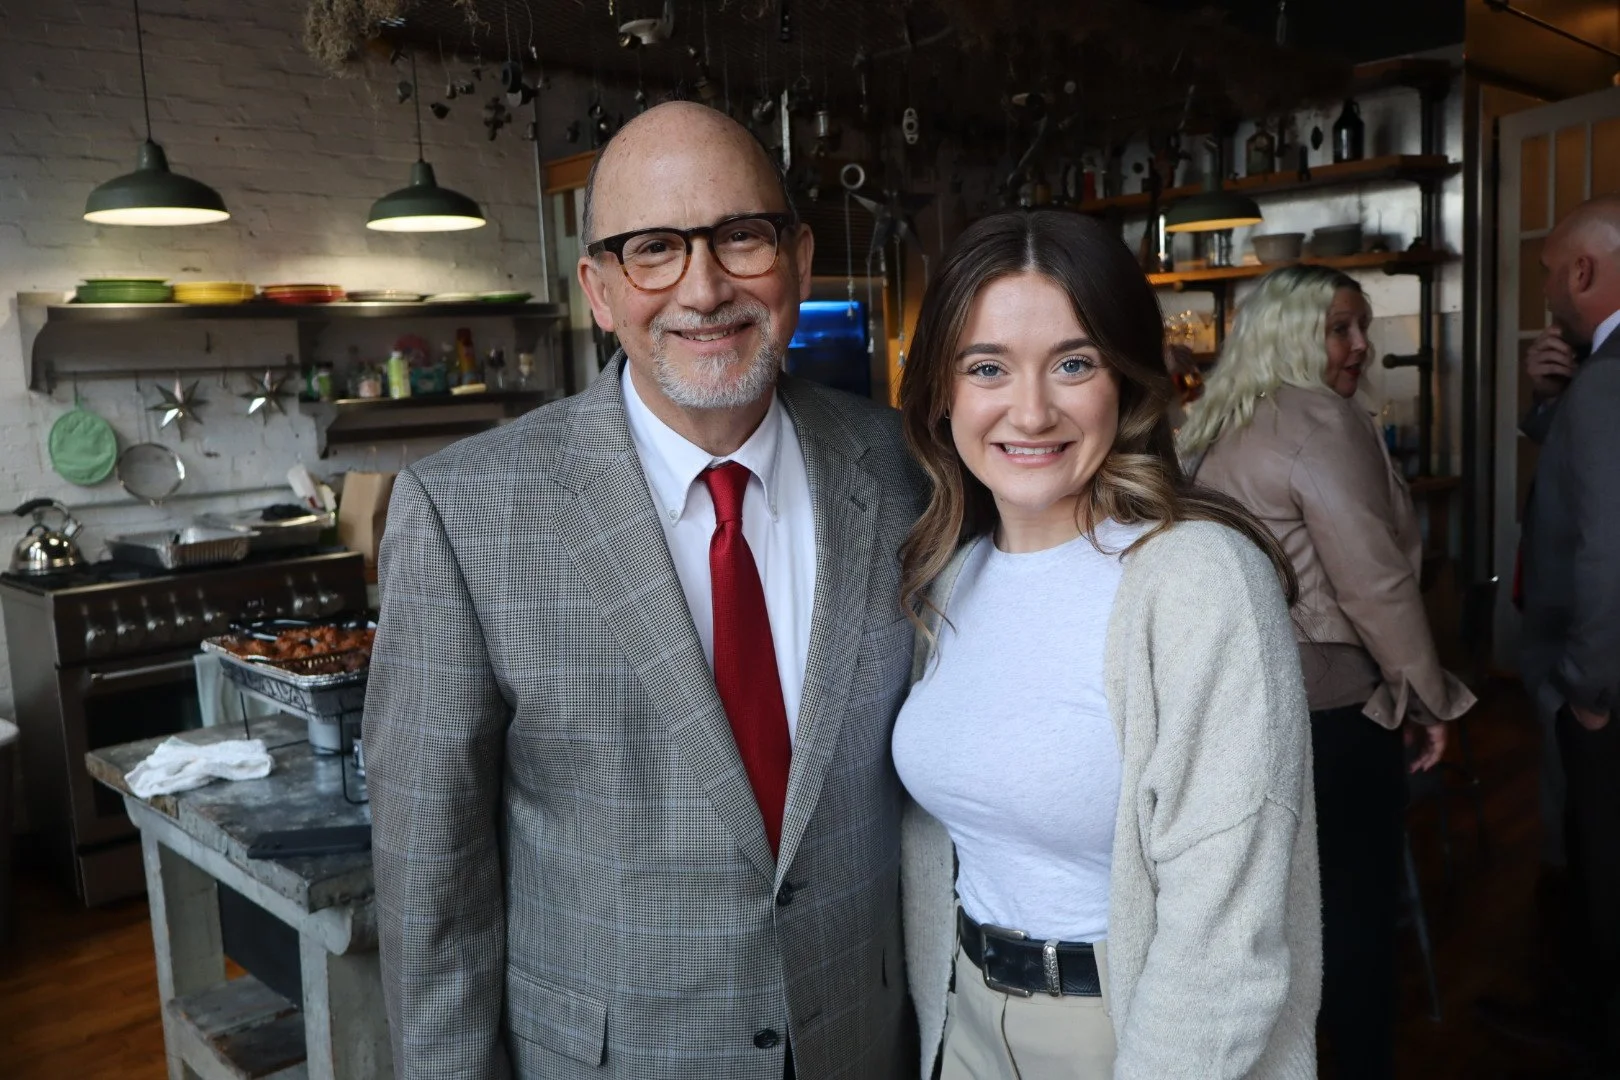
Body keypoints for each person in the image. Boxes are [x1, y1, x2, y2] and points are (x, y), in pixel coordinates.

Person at [364, 101, 922, 1080]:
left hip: (862, 1039)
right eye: (654, 249)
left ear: (794, 257)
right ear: (599, 289)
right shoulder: (465, 512)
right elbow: (433, 892)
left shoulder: (902, 464)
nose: (703, 289)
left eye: (740, 237)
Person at [894, 210, 1321, 1079]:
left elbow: (1226, 944)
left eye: (1074, 364)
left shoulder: (1198, 582)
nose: (1031, 410)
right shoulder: (945, 572)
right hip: (962, 1017)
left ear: (1125, 383)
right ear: (943, 391)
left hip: (1133, 1034)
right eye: (987, 368)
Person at [1179, 264, 1476, 1079]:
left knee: (1266, 919)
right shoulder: (1317, 419)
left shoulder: (1214, 423)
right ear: (1289, 333)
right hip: (1334, 709)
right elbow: (1373, 580)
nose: (1358, 345)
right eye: (1338, 327)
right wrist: (1426, 696)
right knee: (1353, 913)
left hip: (1236, 707)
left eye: (1360, 327)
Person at [1519, 194, 1620, 1071]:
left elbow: (1609, 549)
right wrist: (1548, 402)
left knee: (1596, 862)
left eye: (1552, 268)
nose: (1547, 285)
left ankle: (1591, 1024)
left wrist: (1589, 692)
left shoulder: (1612, 375)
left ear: (1583, 272)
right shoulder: (1596, 374)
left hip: (1596, 679)